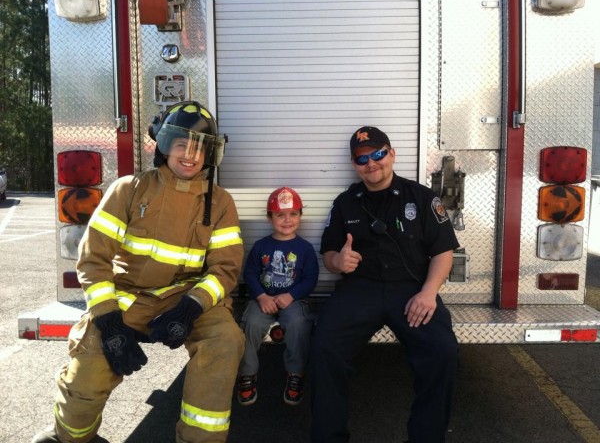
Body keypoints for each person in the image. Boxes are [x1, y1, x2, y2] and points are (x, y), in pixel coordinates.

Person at [33, 101, 245, 443]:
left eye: (199, 148)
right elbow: (92, 260)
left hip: (187, 299)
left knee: (226, 339)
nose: (190, 155)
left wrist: (191, 308)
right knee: (87, 373)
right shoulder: (127, 190)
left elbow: (225, 270)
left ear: (210, 155)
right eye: (181, 145)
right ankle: (70, 436)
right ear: (163, 146)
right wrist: (108, 321)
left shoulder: (220, 203)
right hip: (126, 300)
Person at [310, 126, 460, 443]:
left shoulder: (421, 198)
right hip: (359, 290)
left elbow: (443, 252)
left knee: (442, 352)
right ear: (354, 164)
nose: (371, 163)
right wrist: (339, 262)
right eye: (362, 158)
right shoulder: (345, 203)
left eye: (378, 154)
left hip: (411, 291)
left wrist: (429, 293)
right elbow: (329, 254)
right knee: (324, 348)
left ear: (391, 154)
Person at [236, 187, 319, 406]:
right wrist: (261, 296)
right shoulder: (261, 246)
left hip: (292, 301)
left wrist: (291, 295)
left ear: (300, 216)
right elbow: (251, 273)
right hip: (263, 299)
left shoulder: (305, 249)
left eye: (293, 214)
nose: (287, 220)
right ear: (269, 217)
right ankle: (247, 373)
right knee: (251, 324)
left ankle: (296, 373)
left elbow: (310, 279)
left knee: (299, 325)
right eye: (280, 215)